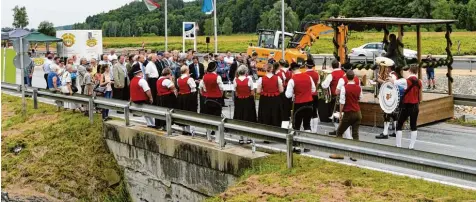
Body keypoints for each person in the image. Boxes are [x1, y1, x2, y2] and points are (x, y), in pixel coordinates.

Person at [391, 65, 422, 149]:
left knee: (399, 124)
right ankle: (411, 146)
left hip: (406, 106)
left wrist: (391, 77)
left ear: (410, 70)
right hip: (415, 106)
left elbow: (394, 82)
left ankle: (398, 145)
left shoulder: (405, 81)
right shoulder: (420, 82)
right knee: (413, 126)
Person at [286, 62, 316, 132]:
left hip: (299, 104)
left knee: (297, 125)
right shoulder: (309, 77)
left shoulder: (292, 80)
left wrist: (295, 92)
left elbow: (288, 95)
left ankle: (296, 141)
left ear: (292, 70)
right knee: (307, 124)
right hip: (309, 102)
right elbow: (313, 89)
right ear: (299, 68)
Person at [375, 59, 399, 139]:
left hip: (389, 97)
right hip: (391, 97)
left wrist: (379, 80)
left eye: (387, 67)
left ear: (389, 68)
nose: (386, 69)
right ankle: (396, 132)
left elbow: (388, 85)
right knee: (394, 115)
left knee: (386, 114)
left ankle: (385, 133)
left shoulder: (392, 75)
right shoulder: (394, 74)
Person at [336, 70, 363, 140]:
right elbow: (360, 98)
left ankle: (341, 149)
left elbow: (342, 102)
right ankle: (356, 150)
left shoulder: (344, 88)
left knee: (339, 132)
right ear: (354, 77)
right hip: (358, 112)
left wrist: (341, 113)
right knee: (355, 134)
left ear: (346, 77)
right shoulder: (359, 88)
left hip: (348, 113)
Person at [257, 63, 284, 127]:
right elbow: (281, 90)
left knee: (265, 114)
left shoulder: (261, 79)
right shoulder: (278, 78)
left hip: (265, 99)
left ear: (265, 69)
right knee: (275, 113)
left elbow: (258, 91)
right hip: (275, 99)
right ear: (272, 69)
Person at [129, 63, 155, 127]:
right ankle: (152, 124)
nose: (142, 73)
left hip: (135, 100)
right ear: (139, 73)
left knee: (145, 112)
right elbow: (147, 90)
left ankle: (149, 123)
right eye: (141, 72)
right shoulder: (142, 80)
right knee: (149, 111)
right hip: (142, 99)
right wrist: (151, 98)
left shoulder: (132, 80)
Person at [321, 60, 345, 125]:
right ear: (339, 65)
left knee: (336, 112)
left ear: (332, 66)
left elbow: (324, 85)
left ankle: (337, 128)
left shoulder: (331, 75)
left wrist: (322, 82)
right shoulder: (344, 73)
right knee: (342, 111)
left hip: (335, 95)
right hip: (344, 95)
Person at [177, 66, 197, 134]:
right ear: (187, 70)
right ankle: (189, 130)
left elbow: (179, 87)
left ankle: (184, 129)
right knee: (189, 112)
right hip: (188, 97)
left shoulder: (178, 79)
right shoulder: (189, 79)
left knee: (182, 112)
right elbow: (193, 89)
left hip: (181, 97)